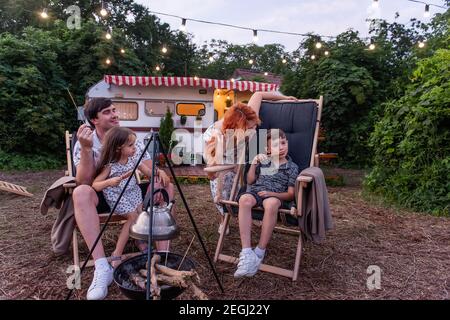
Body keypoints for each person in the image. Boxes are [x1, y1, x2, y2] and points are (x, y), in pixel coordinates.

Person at [72, 98, 174, 300]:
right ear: (94, 119)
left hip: (131, 191)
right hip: (102, 194)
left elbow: (147, 167)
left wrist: (159, 173)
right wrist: (85, 149)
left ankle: (162, 257)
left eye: (114, 110)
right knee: (80, 192)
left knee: (165, 186)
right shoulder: (86, 141)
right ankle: (103, 267)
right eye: (108, 112)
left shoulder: (125, 137)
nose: (115, 114)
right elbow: (84, 181)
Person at [203, 91, 298, 235]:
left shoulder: (248, 115)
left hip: (242, 144)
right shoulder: (217, 136)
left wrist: (285, 98)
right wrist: (227, 169)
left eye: (255, 125)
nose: (255, 129)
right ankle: (223, 218)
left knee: (253, 176)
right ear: (238, 128)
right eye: (251, 127)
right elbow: (211, 170)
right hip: (223, 154)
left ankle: (252, 211)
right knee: (223, 190)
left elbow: (259, 94)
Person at [234, 129, 299, 278]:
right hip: (256, 192)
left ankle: (260, 251)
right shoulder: (264, 162)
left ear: (287, 143)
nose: (281, 147)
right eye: (276, 145)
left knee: (270, 204)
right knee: (244, 199)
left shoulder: (292, 167)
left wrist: (272, 194)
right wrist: (254, 163)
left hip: (275, 196)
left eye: (283, 143)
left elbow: (290, 194)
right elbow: (250, 181)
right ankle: (246, 252)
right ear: (268, 149)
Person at [92, 127, 156, 268]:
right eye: (130, 145)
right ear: (118, 148)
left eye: (134, 144)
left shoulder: (133, 159)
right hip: (117, 195)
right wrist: (109, 181)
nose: (135, 148)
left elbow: (148, 172)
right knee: (133, 217)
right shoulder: (110, 166)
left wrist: (158, 174)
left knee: (142, 215)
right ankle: (117, 253)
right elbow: (96, 185)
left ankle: (139, 240)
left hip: (133, 192)